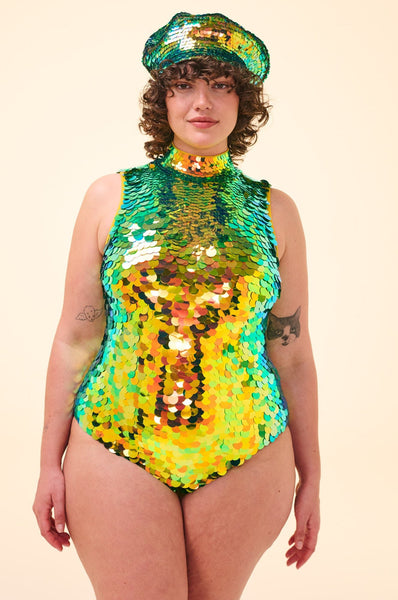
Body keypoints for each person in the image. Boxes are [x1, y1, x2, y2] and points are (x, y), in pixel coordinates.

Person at [33, 11, 320, 600]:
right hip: (116, 439)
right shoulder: (110, 197)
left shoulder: (276, 211)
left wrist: (313, 476)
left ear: (244, 102)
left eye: (222, 86)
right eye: (184, 85)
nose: (202, 102)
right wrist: (47, 465)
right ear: (161, 100)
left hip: (248, 444)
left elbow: (291, 353)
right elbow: (76, 338)